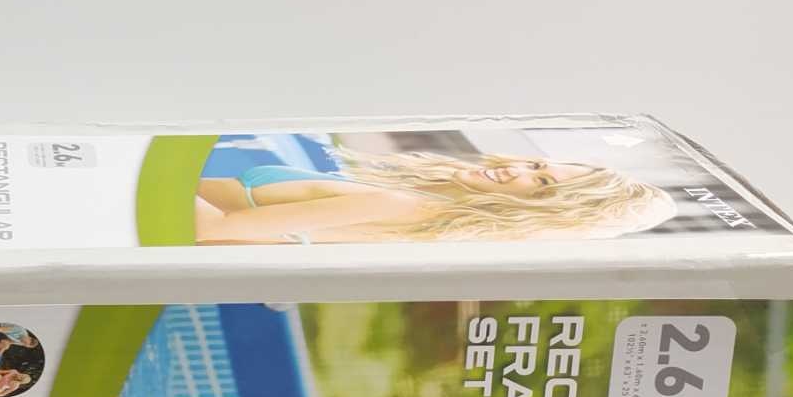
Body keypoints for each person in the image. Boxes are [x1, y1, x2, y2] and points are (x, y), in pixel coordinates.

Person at [194, 149, 675, 245]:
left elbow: (212, 230)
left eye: (541, 184)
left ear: (543, 211)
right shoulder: (421, 205)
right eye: (537, 165)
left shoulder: (409, 209)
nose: (519, 169)